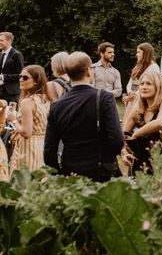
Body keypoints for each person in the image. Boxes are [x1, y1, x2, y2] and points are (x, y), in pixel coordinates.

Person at [43, 52, 124, 181]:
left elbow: (49, 150)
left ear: (68, 74)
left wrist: (58, 174)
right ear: (88, 70)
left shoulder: (57, 106)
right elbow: (117, 140)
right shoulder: (104, 98)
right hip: (102, 172)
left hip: (71, 173)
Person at [123, 71, 162, 176]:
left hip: (160, 167)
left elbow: (160, 122)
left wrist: (136, 134)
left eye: (149, 84)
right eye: (142, 84)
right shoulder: (138, 110)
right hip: (137, 167)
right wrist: (124, 153)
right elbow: (122, 134)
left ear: (158, 86)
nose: (144, 87)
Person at [3, 65, 51, 178]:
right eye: (20, 76)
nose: (20, 79)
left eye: (25, 77)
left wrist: (13, 120)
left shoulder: (27, 102)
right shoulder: (45, 98)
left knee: (23, 183)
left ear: (36, 81)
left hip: (27, 147)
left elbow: (26, 132)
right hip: (41, 145)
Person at [0, 32, 24, 105]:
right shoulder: (0, 54)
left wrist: (3, 77)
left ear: (9, 41)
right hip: (1, 92)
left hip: (11, 93)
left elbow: (21, 75)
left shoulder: (17, 55)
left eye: (1, 40)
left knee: (11, 115)